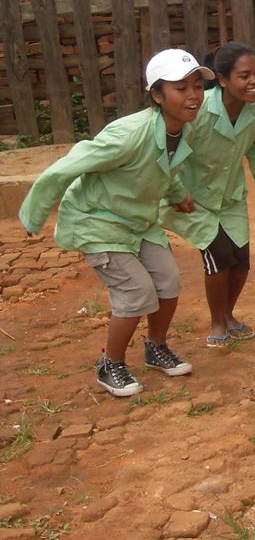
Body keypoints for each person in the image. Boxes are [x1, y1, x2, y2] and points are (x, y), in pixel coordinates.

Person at [19, 49, 211, 397]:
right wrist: (34, 213)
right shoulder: (127, 134)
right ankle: (111, 364)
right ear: (157, 94)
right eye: (181, 88)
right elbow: (69, 165)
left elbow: (165, 168)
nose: (193, 96)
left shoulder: (182, 129)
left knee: (168, 282)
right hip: (98, 219)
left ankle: (155, 347)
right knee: (136, 292)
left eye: (197, 86)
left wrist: (178, 194)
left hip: (139, 220)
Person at [161, 43, 255, 347]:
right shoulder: (199, 110)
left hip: (229, 195)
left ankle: (228, 316)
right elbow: (171, 152)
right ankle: (217, 323)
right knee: (218, 253)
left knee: (241, 260)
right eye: (244, 76)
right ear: (223, 80)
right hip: (190, 197)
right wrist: (175, 191)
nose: (253, 81)